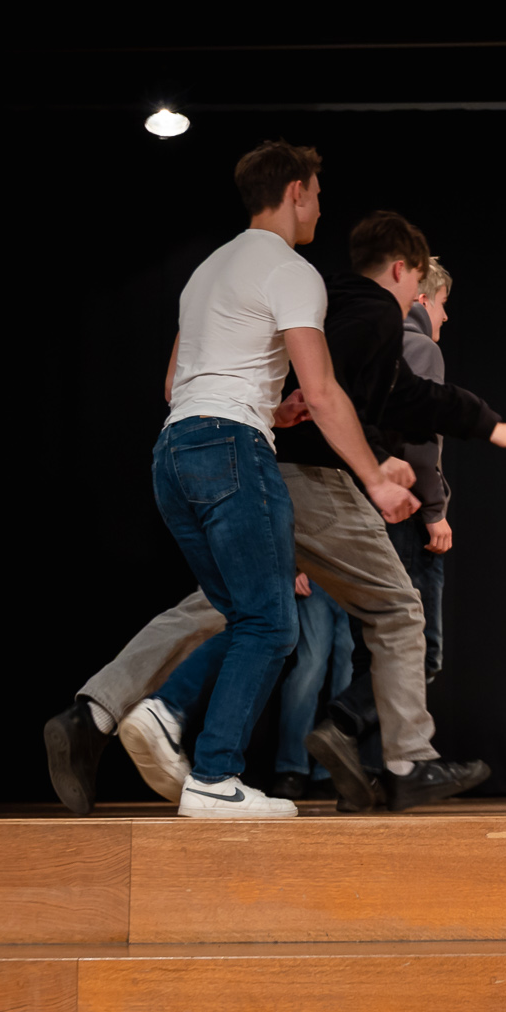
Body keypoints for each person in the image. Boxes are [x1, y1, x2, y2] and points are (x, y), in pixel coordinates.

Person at [42, 207, 506, 815]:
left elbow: (371, 391)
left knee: (223, 606)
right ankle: (405, 760)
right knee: (396, 607)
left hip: (242, 457)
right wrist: (378, 468)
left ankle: (98, 710)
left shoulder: (316, 296)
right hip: (308, 476)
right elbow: (335, 394)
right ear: (401, 270)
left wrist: (481, 424)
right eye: (419, 283)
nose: (419, 298)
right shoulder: (374, 310)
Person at [129, 140, 391, 818]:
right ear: (296, 191)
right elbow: (323, 390)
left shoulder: (205, 272)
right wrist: (374, 477)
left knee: (245, 616)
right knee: (273, 625)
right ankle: (213, 775)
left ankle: (167, 711)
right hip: (232, 450)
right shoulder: (290, 269)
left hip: (173, 452)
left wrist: (269, 407)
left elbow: (174, 384)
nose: (320, 209)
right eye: (317, 196)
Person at [384, 258, 455, 684]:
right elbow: (420, 437)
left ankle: (359, 724)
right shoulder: (422, 347)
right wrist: (434, 510)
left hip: (374, 506)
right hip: (409, 512)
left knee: (379, 643)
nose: (445, 316)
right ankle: (346, 716)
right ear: (423, 299)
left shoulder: (375, 344)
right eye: (444, 304)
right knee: (420, 651)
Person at [268, 572, 354, 802]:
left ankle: (332, 770)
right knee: (310, 669)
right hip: (318, 575)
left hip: (357, 578)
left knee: (348, 675)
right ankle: (291, 768)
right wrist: (294, 568)